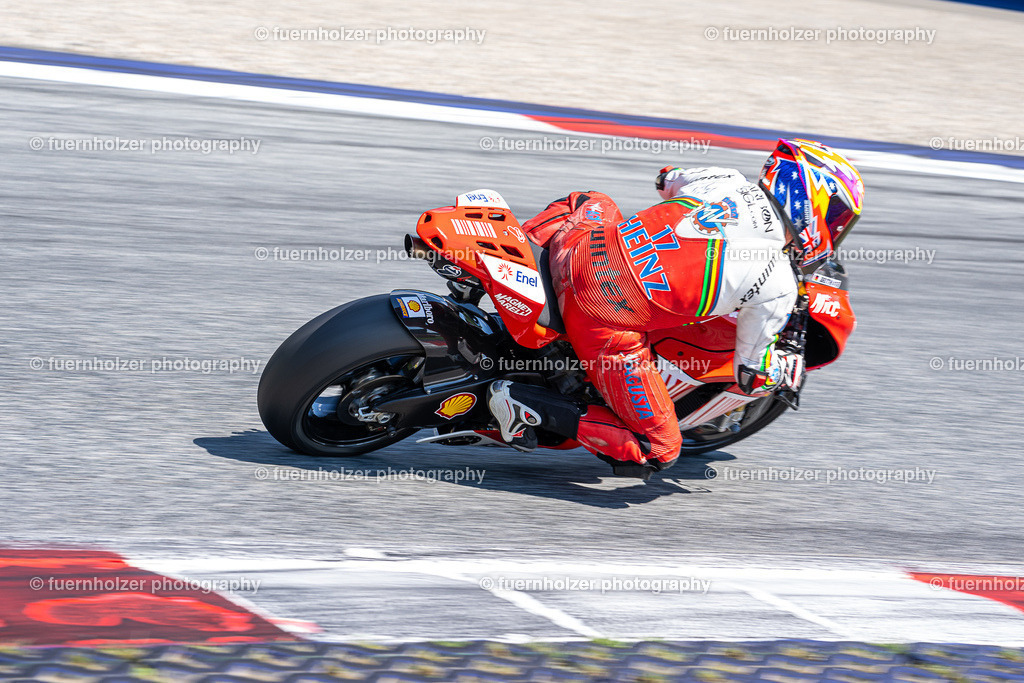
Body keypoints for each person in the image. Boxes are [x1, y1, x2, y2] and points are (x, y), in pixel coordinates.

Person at [487, 138, 865, 479]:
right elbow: (751, 374)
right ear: (810, 201)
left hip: (575, 249)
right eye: (835, 218)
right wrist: (784, 370)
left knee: (591, 201)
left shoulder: (725, 178)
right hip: (600, 315)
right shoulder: (778, 282)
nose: (835, 229)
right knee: (659, 449)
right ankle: (519, 403)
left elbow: (667, 177)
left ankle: (514, 257)